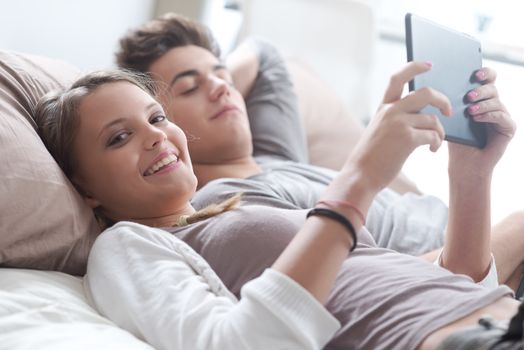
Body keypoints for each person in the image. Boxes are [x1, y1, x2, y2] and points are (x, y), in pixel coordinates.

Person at [35, 60, 521, 349]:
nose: (156, 137)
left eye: (157, 117)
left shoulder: (232, 203)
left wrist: (471, 173)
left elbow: (451, 283)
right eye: (119, 137)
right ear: (84, 188)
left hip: (498, 313)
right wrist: (357, 184)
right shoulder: (127, 246)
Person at [114, 13, 524, 289]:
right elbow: (382, 293)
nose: (222, 87)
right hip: (481, 266)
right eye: (189, 87)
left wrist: (212, 77)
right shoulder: (237, 204)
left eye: (222, 75)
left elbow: (266, 55)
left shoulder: (273, 150)